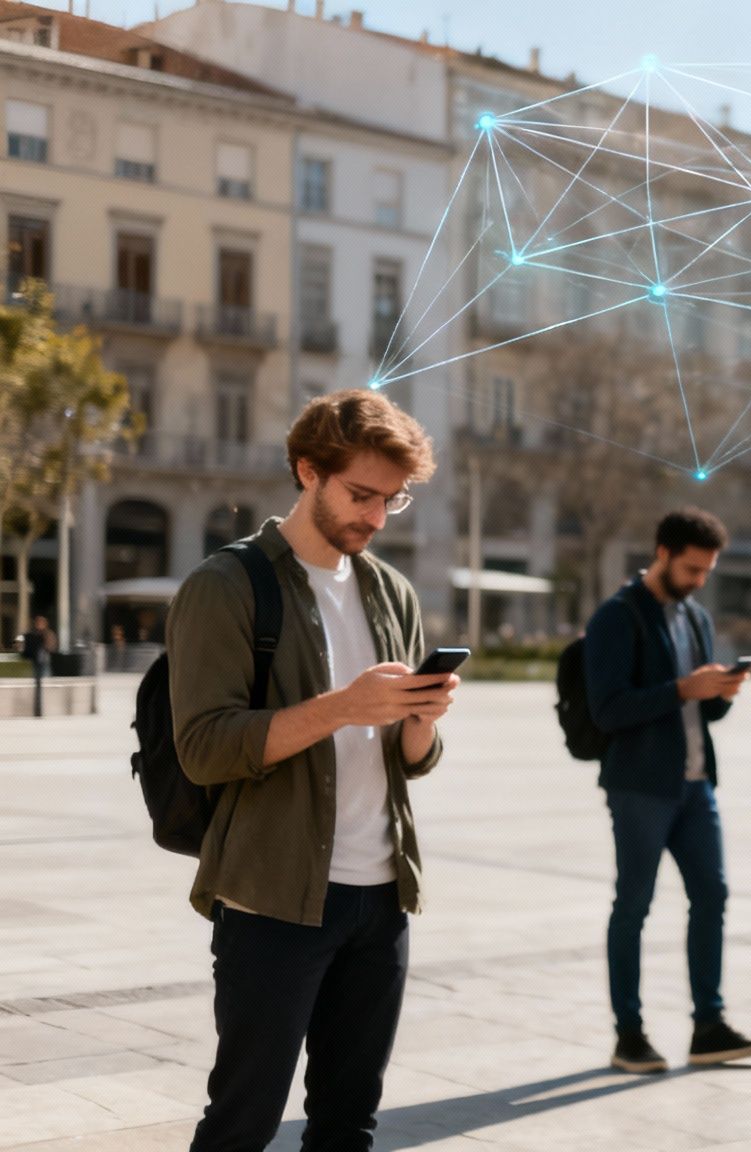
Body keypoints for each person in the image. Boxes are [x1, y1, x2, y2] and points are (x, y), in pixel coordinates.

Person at [167, 389, 458, 1151]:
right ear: (308, 471)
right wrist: (342, 707)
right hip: (272, 899)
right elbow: (203, 746)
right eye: (361, 495)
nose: (374, 517)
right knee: (243, 1121)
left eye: (391, 502)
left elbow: (412, 764)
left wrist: (421, 721)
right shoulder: (227, 587)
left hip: (381, 898)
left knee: (348, 1123)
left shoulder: (390, 591)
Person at [582, 507, 751, 1074]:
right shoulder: (617, 617)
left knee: (712, 896)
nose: (697, 581)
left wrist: (720, 694)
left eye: (706, 572)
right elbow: (608, 709)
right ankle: (629, 1034)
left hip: (694, 785)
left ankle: (708, 1026)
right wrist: (684, 688)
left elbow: (701, 711)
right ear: (662, 554)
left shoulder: (695, 617)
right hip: (639, 785)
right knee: (633, 907)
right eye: (691, 569)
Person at [19, 614, 53, 716]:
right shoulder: (32, 635)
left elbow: (50, 646)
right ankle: (38, 709)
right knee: (37, 682)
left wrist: (45, 641)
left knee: (43, 682)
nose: (40, 625)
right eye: (38, 623)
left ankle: (40, 709)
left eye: (42, 623)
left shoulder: (47, 634)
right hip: (36, 663)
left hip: (43, 662)